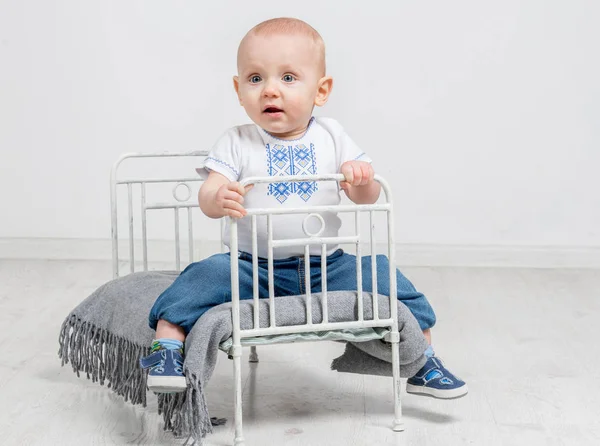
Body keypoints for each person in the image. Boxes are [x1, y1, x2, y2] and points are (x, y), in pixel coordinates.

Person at [140, 17, 468, 399]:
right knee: (201, 277)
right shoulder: (237, 141)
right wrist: (217, 196)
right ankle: (167, 349)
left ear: (321, 89)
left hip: (328, 265)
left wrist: (362, 180)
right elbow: (209, 192)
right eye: (255, 78)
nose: (270, 91)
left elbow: (368, 197)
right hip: (253, 267)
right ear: (238, 89)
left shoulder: (332, 136)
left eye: (289, 78)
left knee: (388, 278)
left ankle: (421, 360)